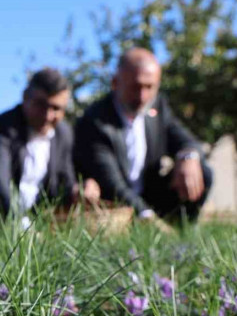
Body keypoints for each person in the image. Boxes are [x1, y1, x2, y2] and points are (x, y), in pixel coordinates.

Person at [74, 48, 213, 223]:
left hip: (152, 195)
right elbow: (112, 184)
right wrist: (146, 216)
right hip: (113, 208)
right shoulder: (95, 121)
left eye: (149, 87)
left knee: (202, 171)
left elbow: (185, 139)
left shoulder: (158, 108)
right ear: (116, 83)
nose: (143, 96)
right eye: (135, 87)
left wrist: (188, 156)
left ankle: (183, 231)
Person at [0, 68, 100, 228]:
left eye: (56, 108)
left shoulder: (63, 134)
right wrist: (22, 226)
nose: (47, 115)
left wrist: (78, 190)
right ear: (25, 98)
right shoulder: (0, 129)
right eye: (41, 105)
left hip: (39, 222)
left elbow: (64, 183)